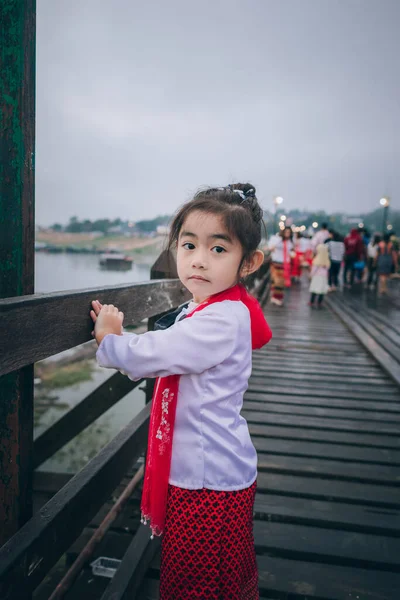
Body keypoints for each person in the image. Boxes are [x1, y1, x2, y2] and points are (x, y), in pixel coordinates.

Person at [89, 183, 272, 600]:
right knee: (211, 574)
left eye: (219, 250)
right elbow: (170, 356)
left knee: (202, 582)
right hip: (207, 471)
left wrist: (111, 339)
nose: (199, 261)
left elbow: (161, 350)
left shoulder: (221, 320)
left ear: (250, 262)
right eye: (188, 245)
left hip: (210, 480)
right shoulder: (208, 307)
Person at [268, 226, 294, 306]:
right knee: (278, 282)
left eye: (289, 232)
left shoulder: (290, 242)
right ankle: (276, 297)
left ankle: (275, 297)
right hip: (276, 263)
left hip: (285, 264)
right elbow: (270, 247)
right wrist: (272, 248)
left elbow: (290, 251)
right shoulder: (278, 240)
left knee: (280, 282)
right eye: (286, 232)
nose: (287, 234)